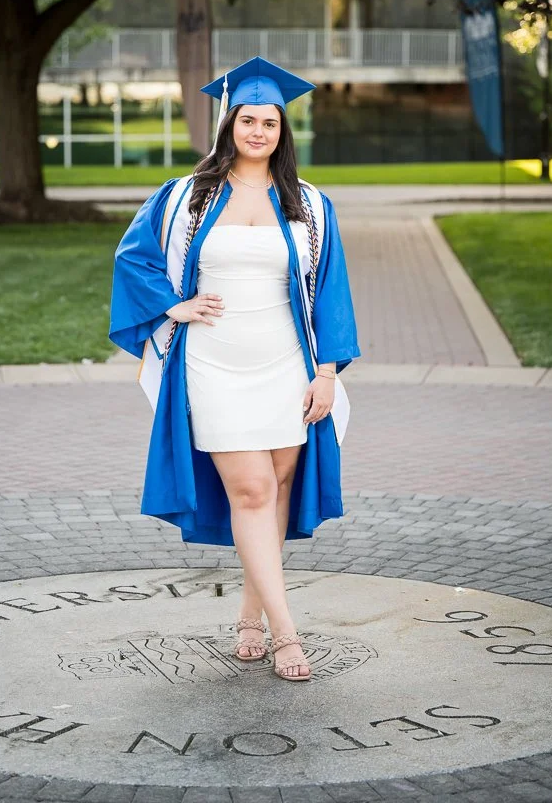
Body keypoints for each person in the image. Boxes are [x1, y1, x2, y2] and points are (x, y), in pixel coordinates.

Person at [109, 56, 360, 681]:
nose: (258, 132)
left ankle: (250, 615)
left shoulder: (309, 204)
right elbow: (132, 258)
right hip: (213, 362)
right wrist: (175, 305)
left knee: (275, 490)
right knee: (250, 490)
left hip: (286, 360)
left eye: (269, 123)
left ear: (282, 130)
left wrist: (326, 372)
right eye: (248, 120)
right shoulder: (185, 197)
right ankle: (286, 634)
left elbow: (330, 291)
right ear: (229, 124)